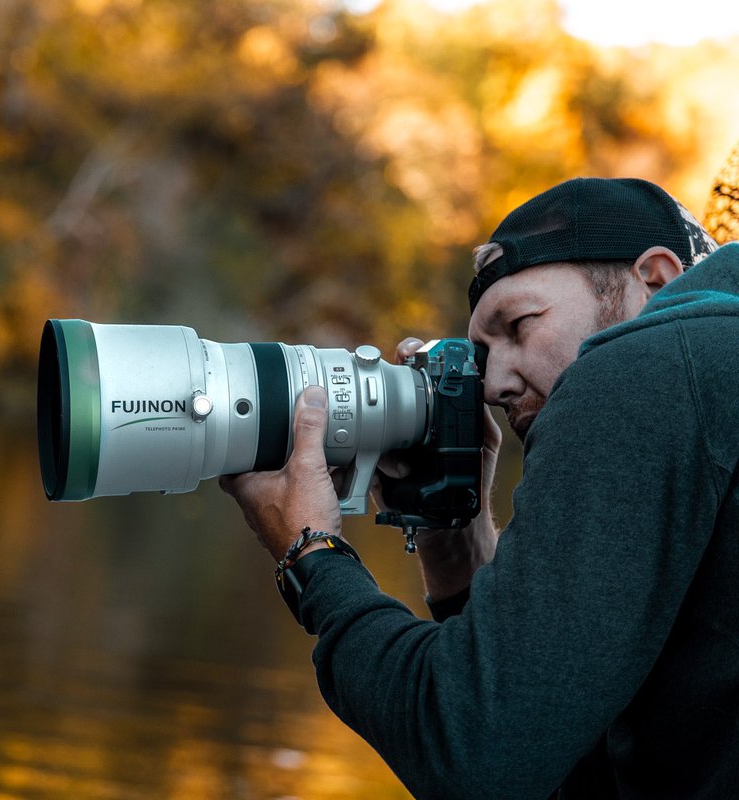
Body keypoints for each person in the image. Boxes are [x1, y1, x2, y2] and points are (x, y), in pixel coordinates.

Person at [221, 177, 739, 799]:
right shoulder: (712, 375)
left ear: (654, 279)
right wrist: (454, 541)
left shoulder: (637, 368)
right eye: (481, 355)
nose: (492, 384)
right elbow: (564, 768)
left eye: (519, 324)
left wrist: (311, 557)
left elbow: (472, 757)